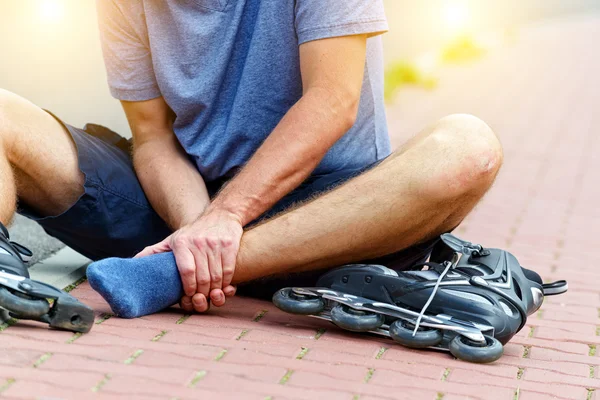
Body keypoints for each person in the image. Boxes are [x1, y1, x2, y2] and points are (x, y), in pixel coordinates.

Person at [0, 0, 502, 314]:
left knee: (469, 147)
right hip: (182, 205)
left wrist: (226, 218)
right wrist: (198, 232)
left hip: (326, 207)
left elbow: (332, 102)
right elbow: (154, 138)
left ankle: (170, 276)